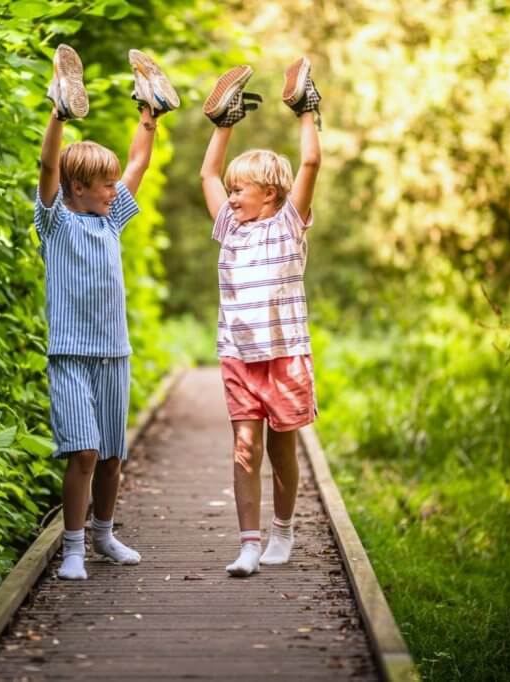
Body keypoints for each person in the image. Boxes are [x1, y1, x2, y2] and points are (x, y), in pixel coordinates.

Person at [35, 44, 178, 580]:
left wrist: (149, 116)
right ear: (78, 188)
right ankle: (72, 547)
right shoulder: (56, 223)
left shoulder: (110, 220)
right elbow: (48, 163)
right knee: (86, 453)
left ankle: (103, 537)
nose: (117, 189)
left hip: (114, 354)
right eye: (106, 184)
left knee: (114, 458)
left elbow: (138, 161)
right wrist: (59, 114)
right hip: (71, 355)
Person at [198, 58, 322, 577]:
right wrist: (223, 127)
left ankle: (283, 531)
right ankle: (248, 542)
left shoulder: (289, 223)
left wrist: (304, 112)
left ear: (270, 193)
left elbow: (311, 164)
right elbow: (206, 172)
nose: (230, 196)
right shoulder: (230, 227)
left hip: (285, 356)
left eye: (239, 190)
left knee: (282, 449)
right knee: (244, 446)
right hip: (239, 356)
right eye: (231, 191)